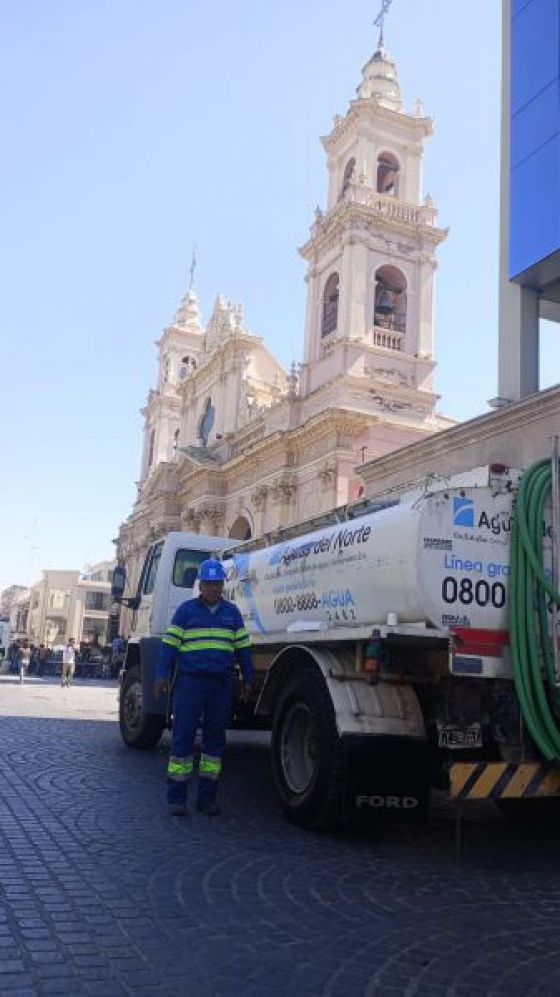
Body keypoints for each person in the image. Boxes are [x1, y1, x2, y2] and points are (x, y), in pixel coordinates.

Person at [154, 558, 253, 817]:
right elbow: (168, 648)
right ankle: (177, 798)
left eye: (217, 584)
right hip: (190, 683)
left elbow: (243, 650)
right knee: (182, 738)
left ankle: (207, 799)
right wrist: (161, 675)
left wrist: (248, 679)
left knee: (215, 743)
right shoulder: (185, 612)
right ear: (201, 585)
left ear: (223, 585)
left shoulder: (232, 614)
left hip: (221, 684)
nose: (213, 589)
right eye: (208, 584)